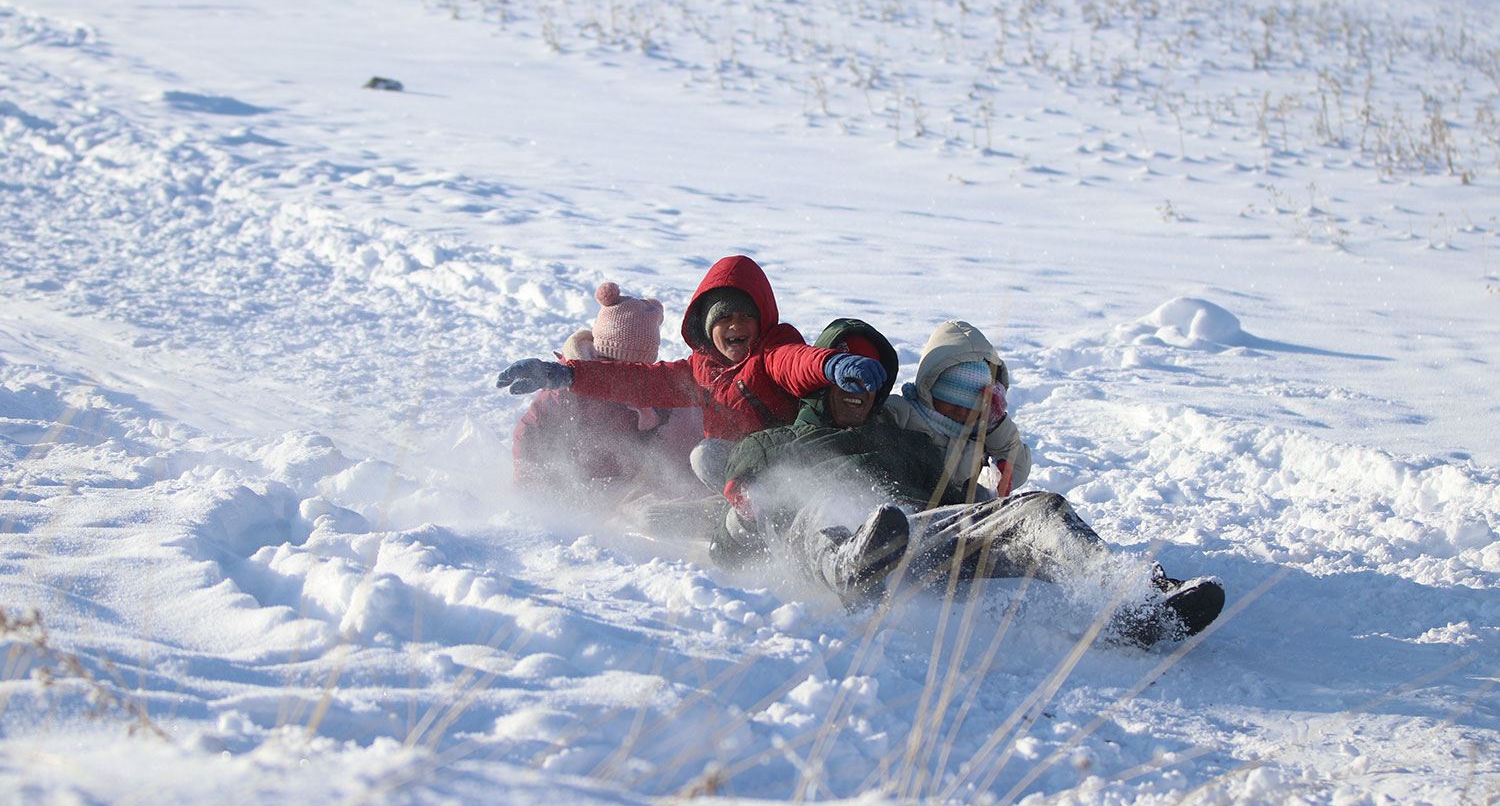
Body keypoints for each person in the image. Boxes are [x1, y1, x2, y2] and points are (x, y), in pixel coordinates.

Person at [711, 318, 1225, 647]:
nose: (860, 388)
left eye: (872, 378)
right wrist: (739, 518)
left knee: (1039, 509)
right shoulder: (776, 443)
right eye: (849, 374)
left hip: (917, 535)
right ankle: (851, 567)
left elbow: (962, 497)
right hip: (840, 544)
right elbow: (728, 540)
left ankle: (1135, 601)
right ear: (822, 378)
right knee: (823, 501)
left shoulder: (902, 440)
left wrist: (997, 480)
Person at [495, 256, 888, 489]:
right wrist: (565, 375)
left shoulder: (769, 355)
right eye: (724, 318)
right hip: (732, 483)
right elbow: (638, 382)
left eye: (745, 316)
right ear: (707, 327)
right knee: (676, 494)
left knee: (706, 455)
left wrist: (830, 364)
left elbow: (795, 361)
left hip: (782, 466)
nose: (735, 325)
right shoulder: (698, 373)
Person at [511, 282, 701, 497]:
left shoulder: (644, 391)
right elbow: (530, 429)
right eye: (612, 364)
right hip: (572, 481)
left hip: (621, 481)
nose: (619, 376)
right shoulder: (568, 389)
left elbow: (679, 425)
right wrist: (529, 480)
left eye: (633, 370)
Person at [885, 319, 1033, 501]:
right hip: (904, 505)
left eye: (970, 407)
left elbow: (1018, 468)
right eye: (953, 403)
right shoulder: (901, 412)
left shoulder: (979, 434)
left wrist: (995, 424)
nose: (962, 412)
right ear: (930, 389)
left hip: (961, 514)